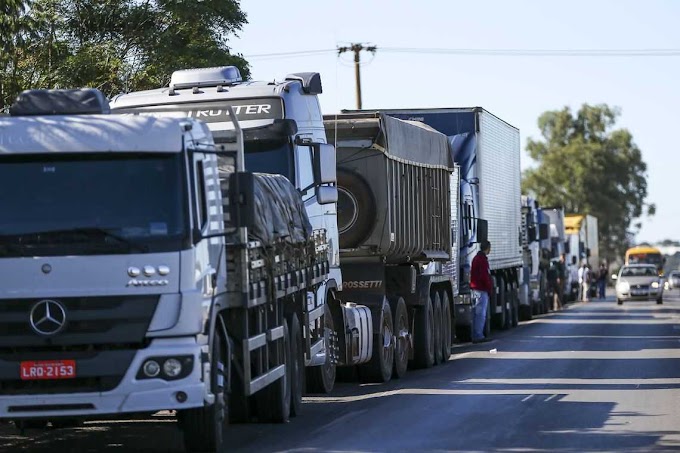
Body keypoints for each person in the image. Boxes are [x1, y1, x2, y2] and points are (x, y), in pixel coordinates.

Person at [470, 240, 493, 343]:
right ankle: (478, 335)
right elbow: (484, 276)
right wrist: (489, 288)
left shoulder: (476, 258)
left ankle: (476, 334)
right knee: (481, 314)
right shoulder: (482, 260)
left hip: (475, 289)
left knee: (476, 314)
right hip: (481, 289)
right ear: (487, 248)